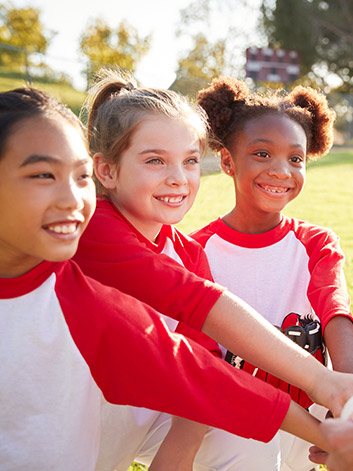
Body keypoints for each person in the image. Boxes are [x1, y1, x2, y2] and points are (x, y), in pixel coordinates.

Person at [0, 85, 334, 471]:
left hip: (142, 417)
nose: (178, 178)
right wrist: (323, 385)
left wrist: (181, 447)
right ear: (106, 171)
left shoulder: (189, 252)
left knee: (243, 439)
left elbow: (201, 363)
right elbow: (193, 305)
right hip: (76, 418)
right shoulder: (92, 230)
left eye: (190, 161)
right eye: (156, 161)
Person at [191, 76, 353, 470]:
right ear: (227, 161)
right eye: (262, 154)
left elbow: (335, 311)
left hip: (308, 417)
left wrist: (347, 399)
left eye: (295, 159)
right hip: (232, 427)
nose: (281, 170)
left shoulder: (315, 242)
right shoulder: (196, 250)